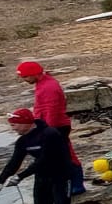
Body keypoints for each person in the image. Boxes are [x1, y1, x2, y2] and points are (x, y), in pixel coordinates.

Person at [0, 108, 78, 204]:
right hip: (42, 177)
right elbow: (14, 162)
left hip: (61, 175)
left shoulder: (50, 134)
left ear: (25, 122)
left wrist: (20, 177)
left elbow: (44, 160)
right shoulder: (23, 141)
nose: (13, 128)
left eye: (14, 124)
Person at [17, 60, 86, 194]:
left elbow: (51, 111)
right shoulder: (43, 83)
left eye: (25, 76)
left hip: (56, 126)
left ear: (34, 74)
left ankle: (77, 184)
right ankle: (71, 183)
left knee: (66, 154)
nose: (24, 80)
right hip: (51, 125)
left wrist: (47, 131)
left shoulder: (49, 87)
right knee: (61, 154)